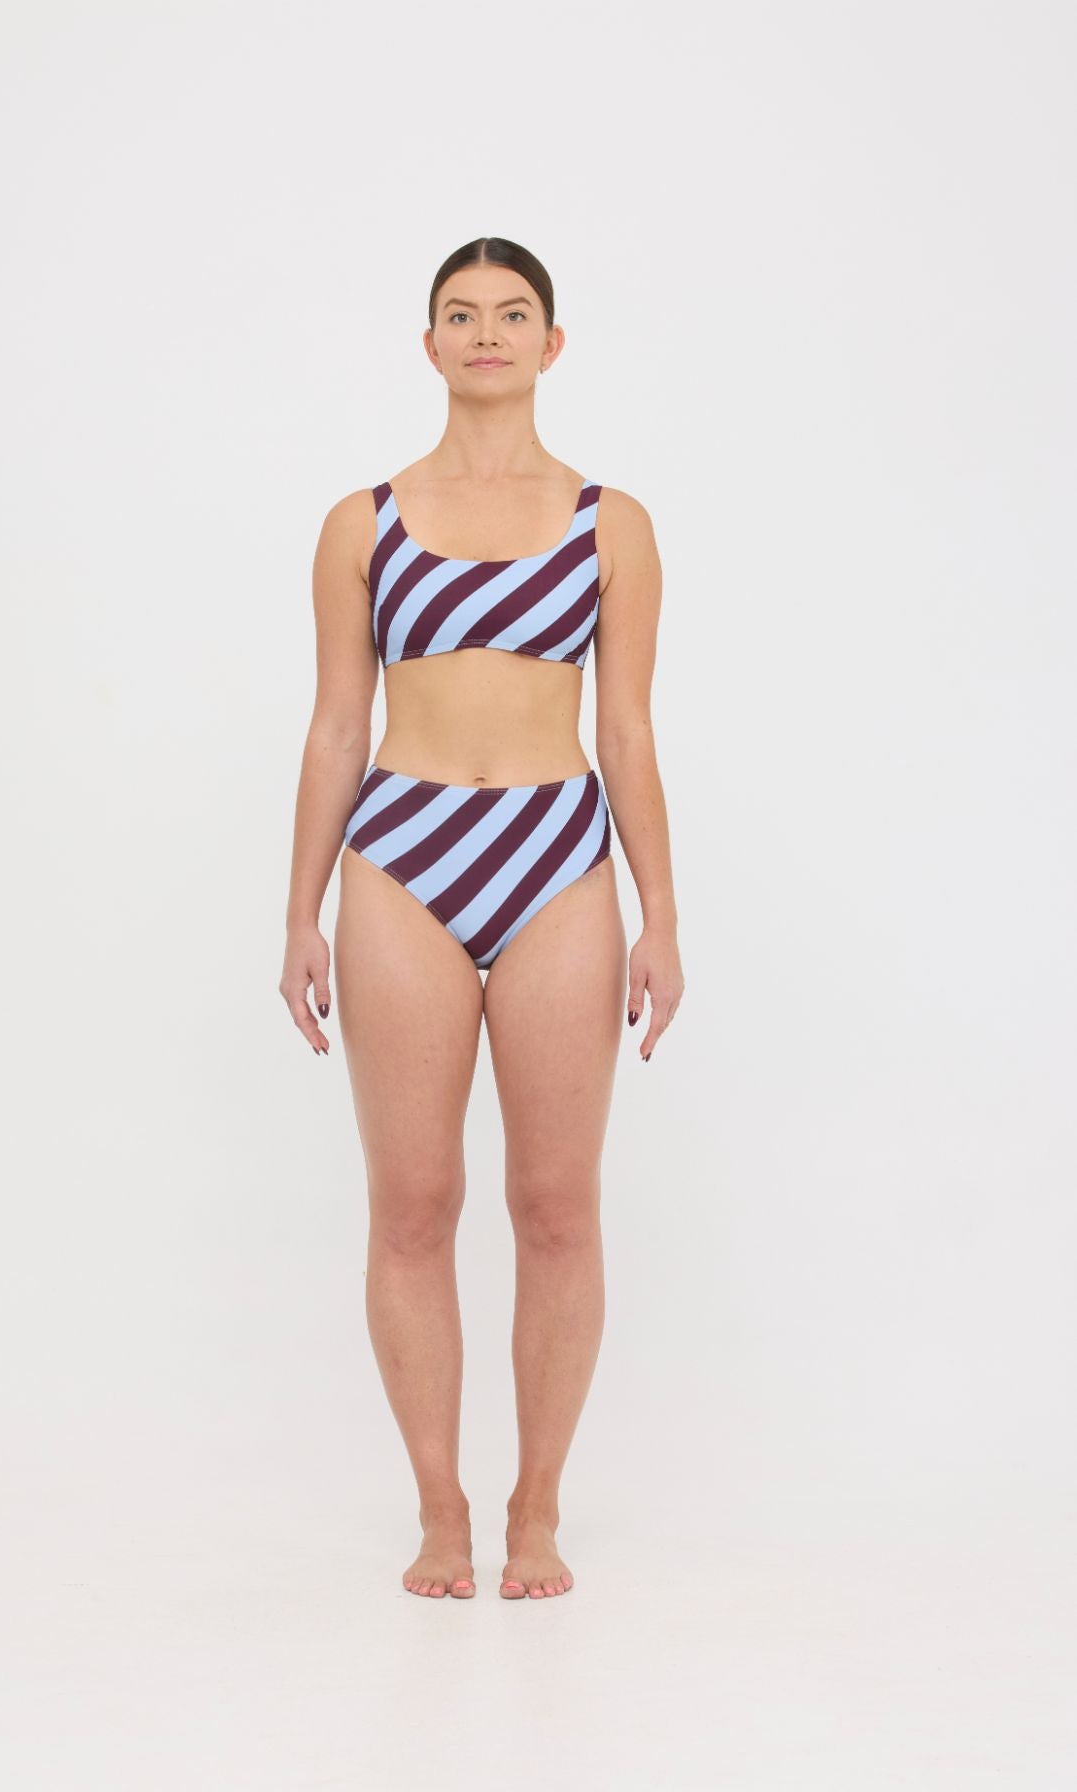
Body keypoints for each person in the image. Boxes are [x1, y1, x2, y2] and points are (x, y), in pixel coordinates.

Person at [281, 236, 684, 1600]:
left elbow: (626, 729)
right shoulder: (364, 520)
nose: (488, 333)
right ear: (431, 344)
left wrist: (663, 916)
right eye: (461, 314)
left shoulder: (608, 521)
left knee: (556, 1203)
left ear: (552, 345)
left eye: (514, 314)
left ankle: (539, 1509)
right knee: (416, 1200)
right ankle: (441, 1511)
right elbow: (339, 723)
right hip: (401, 854)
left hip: (558, 855)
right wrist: (299, 913)